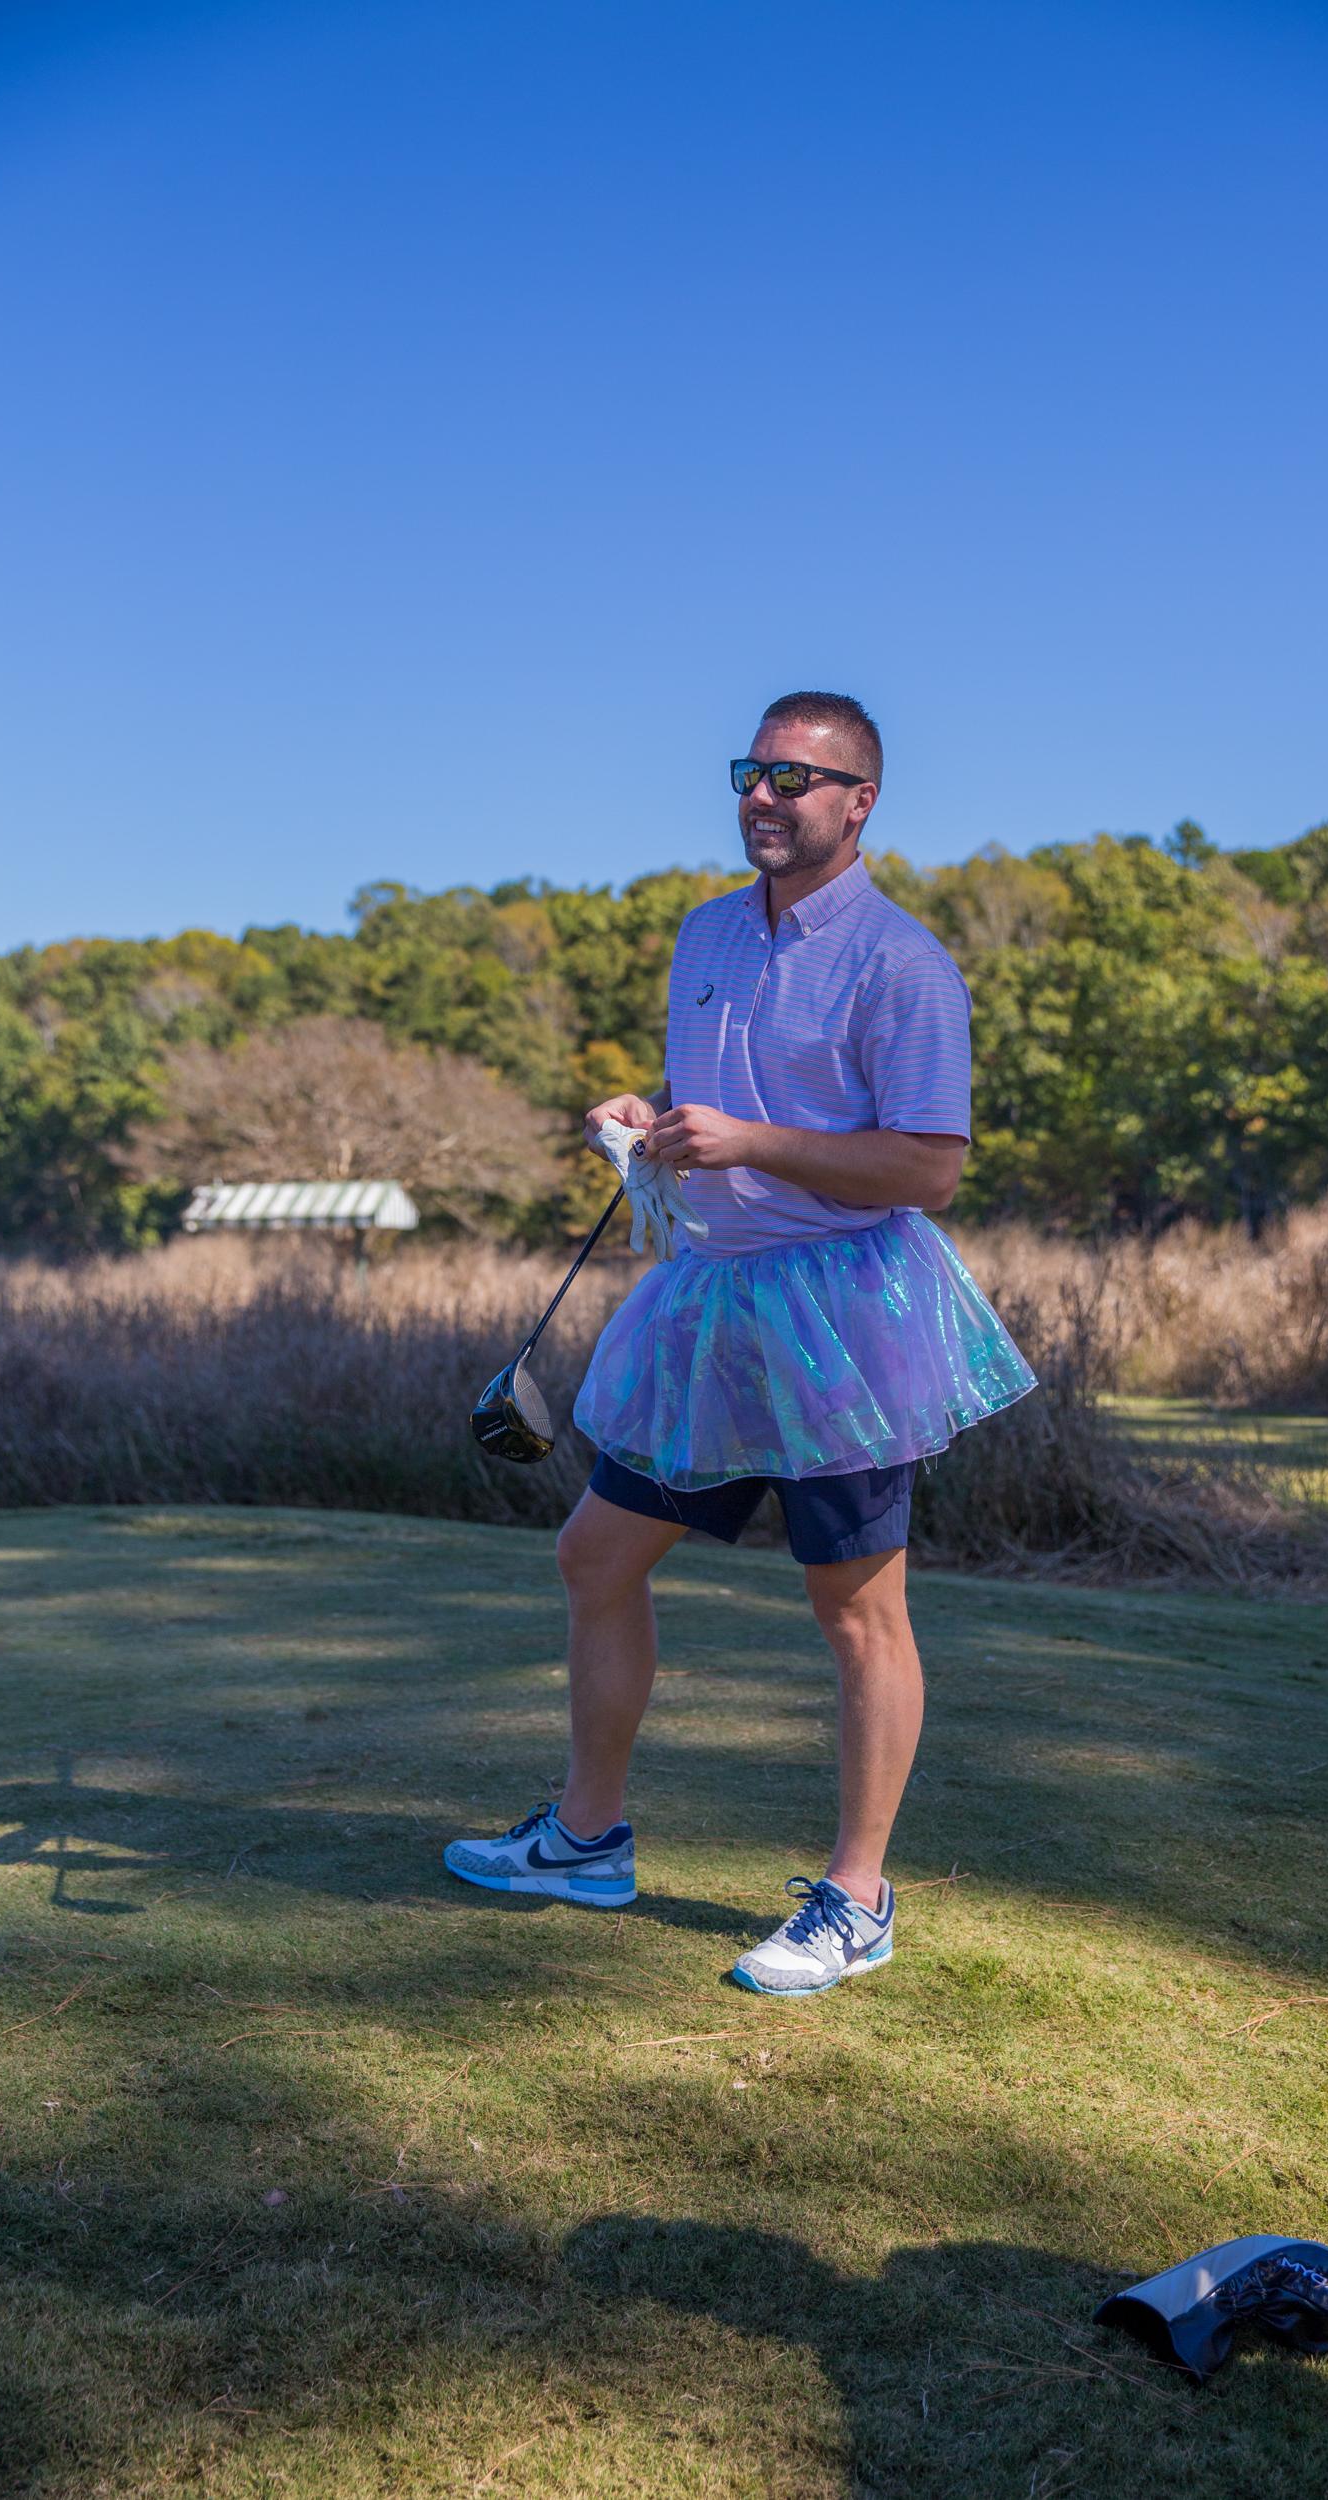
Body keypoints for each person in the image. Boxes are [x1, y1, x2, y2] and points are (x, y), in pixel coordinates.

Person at [444, 692, 1036, 1994]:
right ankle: (587, 1840)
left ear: (859, 801)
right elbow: (729, 1113)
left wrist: (748, 1142)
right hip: (708, 1306)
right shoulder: (706, 933)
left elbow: (930, 1169)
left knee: (856, 1610)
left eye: (797, 778)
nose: (765, 797)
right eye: (751, 773)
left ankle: (858, 1900)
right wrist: (650, 1121)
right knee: (596, 1555)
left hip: (846, 1321)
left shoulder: (905, 963)